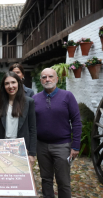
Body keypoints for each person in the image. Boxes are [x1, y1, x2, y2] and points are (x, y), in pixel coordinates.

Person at [33, 68, 82, 198]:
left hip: (62, 146)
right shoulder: (35, 99)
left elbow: (76, 121)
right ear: (40, 80)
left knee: (63, 181)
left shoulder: (67, 96)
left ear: (57, 79)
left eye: (50, 76)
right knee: (46, 179)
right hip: (42, 145)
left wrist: (75, 146)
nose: (47, 79)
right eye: (44, 77)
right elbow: (31, 125)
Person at [0, 71, 36, 165]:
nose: (10, 86)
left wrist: (32, 153)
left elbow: (32, 128)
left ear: (19, 83)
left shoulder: (29, 102)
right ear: (3, 86)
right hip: (3, 146)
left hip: (21, 147)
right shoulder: (0, 102)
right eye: (7, 83)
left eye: (13, 82)